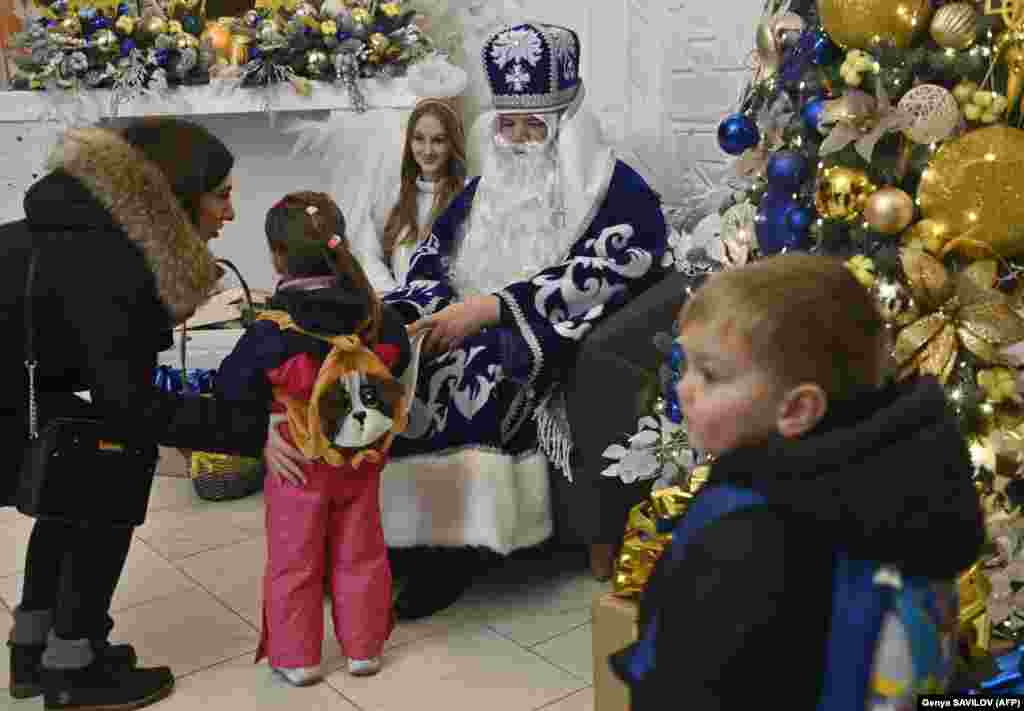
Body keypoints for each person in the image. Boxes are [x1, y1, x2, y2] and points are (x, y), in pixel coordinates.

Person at [0, 119, 307, 710]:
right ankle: (74, 668)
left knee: (76, 467)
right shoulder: (111, 258)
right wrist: (250, 432)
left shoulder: (92, 229)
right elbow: (131, 403)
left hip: (22, 385)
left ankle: (36, 646)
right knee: (112, 462)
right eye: (221, 195)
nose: (230, 214)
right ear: (179, 193)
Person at [380, 22, 669, 619]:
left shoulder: (615, 188)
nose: (515, 139)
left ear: (565, 121)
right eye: (506, 124)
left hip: (531, 328)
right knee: (395, 352)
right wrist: (415, 312)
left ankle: (450, 555)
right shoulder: (485, 188)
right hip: (463, 313)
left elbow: (622, 262)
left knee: (476, 371)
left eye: (533, 125)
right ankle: (392, 539)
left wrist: (490, 308)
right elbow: (435, 252)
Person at [610, 254, 985, 709]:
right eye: (686, 367)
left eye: (709, 374)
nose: (684, 388)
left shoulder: (746, 533)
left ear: (797, 409)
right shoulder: (909, 480)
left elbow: (687, 684)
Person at [215, 192, 412, 685]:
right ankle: (364, 650)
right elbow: (400, 359)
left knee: (294, 561)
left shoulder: (273, 328)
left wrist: (262, 429)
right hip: (360, 455)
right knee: (362, 553)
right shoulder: (375, 315)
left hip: (297, 461)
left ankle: (297, 657)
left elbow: (230, 386)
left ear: (278, 255)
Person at [353, 98, 467, 293]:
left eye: (438, 140)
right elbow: (368, 254)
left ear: (453, 144)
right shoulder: (392, 195)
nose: (427, 150)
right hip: (398, 306)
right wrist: (397, 296)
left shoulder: (468, 196)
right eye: (419, 139)